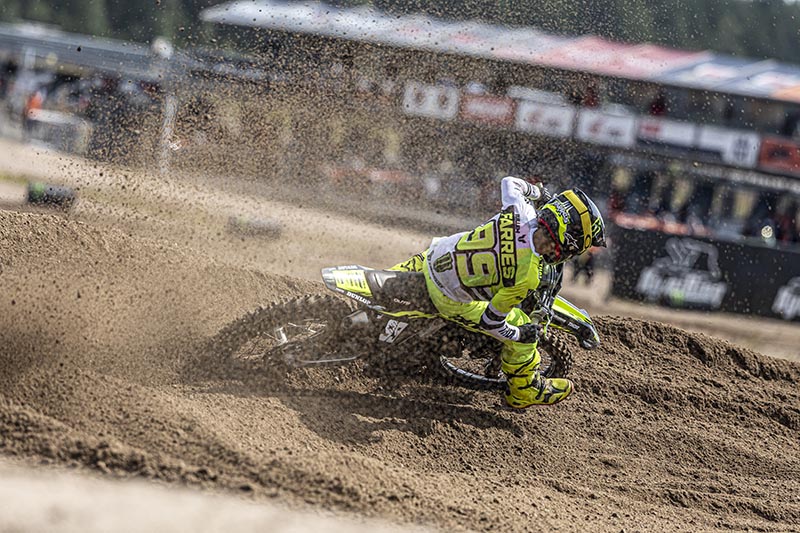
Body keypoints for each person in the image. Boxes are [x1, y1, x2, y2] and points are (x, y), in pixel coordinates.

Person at [390, 176, 606, 409]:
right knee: (523, 325)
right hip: (448, 298)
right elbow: (491, 322)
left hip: (433, 257)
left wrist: (538, 193)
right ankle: (524, 390)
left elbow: (509, 182)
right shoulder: (527, 276)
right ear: (568, 241)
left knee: (385, 288)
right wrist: (519, 334)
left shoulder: (520, 211)